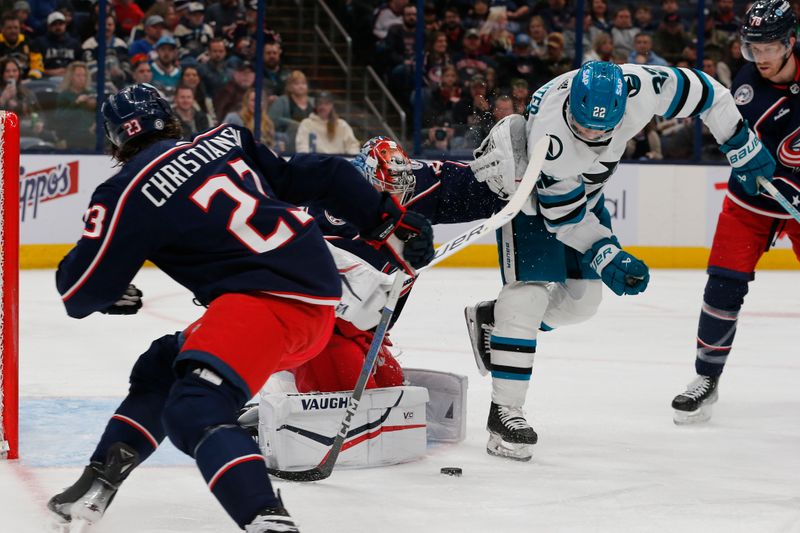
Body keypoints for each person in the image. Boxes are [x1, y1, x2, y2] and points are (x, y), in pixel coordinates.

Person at [46, 83, 434, 532]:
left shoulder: (125, 191)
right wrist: (387, 217)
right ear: (169, 119)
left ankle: (266, 519)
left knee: (195, 408)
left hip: (267, 304)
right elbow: (325, 174)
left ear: (115, 141)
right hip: (319, 291)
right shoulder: (225, 139)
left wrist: (108, 290)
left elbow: (77, 293)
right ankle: (98, 482)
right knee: (162, 366)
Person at [462, 60, 774, 461]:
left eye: (601, 128)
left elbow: (708, 92)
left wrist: (740, 143)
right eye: (583, 126)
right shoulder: (551, 141)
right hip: (533, 199)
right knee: (527, 296)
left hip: (586, 200)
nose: (592, 135)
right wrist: (606, 253)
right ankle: (505, 414)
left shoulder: (640, 88)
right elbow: (565, 219)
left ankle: (496, 321)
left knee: (582, 304)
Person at [671, 0, 800, 424]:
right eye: (752, 48)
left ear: (790, 42)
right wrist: (744, 165)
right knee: (723, 286)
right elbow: (736, 141)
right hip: (752, 204)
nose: (759, 58)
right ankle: (706, 379)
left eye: (768, 49)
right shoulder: (746, 85)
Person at [293, 136, 505, 393]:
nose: (397, 199)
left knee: (390, 390)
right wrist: (392, 241)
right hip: (318, 330)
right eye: (388, 191)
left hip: (365, 331)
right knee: (349, 392)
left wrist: (500, 186)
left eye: (402, 191)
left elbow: (456, 186)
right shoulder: (332, 210)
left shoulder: (410, 184)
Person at [294, 91, 360, 155]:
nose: (323, 107)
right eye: (320, 103)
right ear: (315, 106)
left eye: (326, 104)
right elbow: (302, 147)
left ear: (331, 105)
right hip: (316, 163)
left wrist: (351, 159)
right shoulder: (306, 124)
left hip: (337, 163)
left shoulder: (342, 125)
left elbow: (353, 146)